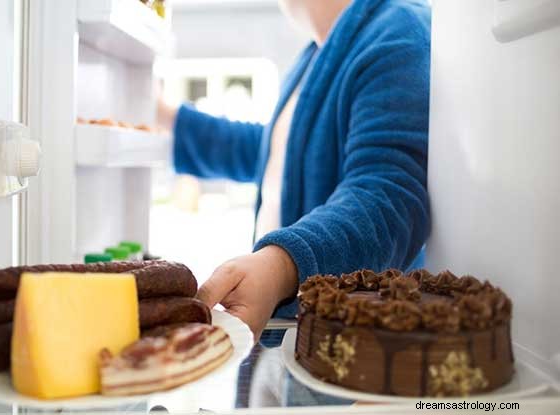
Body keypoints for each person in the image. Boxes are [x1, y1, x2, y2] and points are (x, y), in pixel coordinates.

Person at [157, 0, 431, 341]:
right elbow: (279, 155)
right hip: (299, 339)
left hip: (356, 354)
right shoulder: (316, 53)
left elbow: (388, 197)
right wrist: (172, 120)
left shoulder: (399, 32)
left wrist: (281, 266)